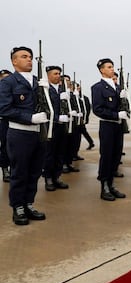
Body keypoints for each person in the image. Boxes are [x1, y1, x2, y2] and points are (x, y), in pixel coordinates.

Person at [0, 47, 48, 225]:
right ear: (14, 61)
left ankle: (29, 203)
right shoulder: (8, 82)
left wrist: (48, 91)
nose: (29, 60)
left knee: (35, 172)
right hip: (19, 133)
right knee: (19, 172)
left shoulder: (38, 82)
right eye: (24, 56)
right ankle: (18, 207)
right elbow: (4, 108)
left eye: (30, 57)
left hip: (38, 134)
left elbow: (48, 106)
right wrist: (29, 117)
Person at [91, 58, 127, 201]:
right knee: (106, 156)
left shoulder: (117, 87)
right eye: (109, 67)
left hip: (118, 126)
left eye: (113, 67)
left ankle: (111, 184)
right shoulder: (97, 87)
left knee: (116, 155)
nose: (113, 69)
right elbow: (97, 109)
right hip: (107, 125)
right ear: (102, 70)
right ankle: (104, 185)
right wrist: (116, 114)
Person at [43, 65, 70, 191]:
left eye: (59, 73)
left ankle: (57, 177)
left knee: (60, 153)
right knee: (50, 154)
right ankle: (48, 178)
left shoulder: (62, 90)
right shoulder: (44, 89)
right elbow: (43, 108)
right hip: (50, 127)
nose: (58, 75)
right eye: (55, 73)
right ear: (48, 75)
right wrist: (57, 118)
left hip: (62, 127)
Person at [0, 69, 12, 182]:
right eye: (3, 78)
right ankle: (5, 169)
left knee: (15, 147)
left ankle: (14, 169)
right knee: (4, 145)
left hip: (14, 120)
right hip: (3, 121)